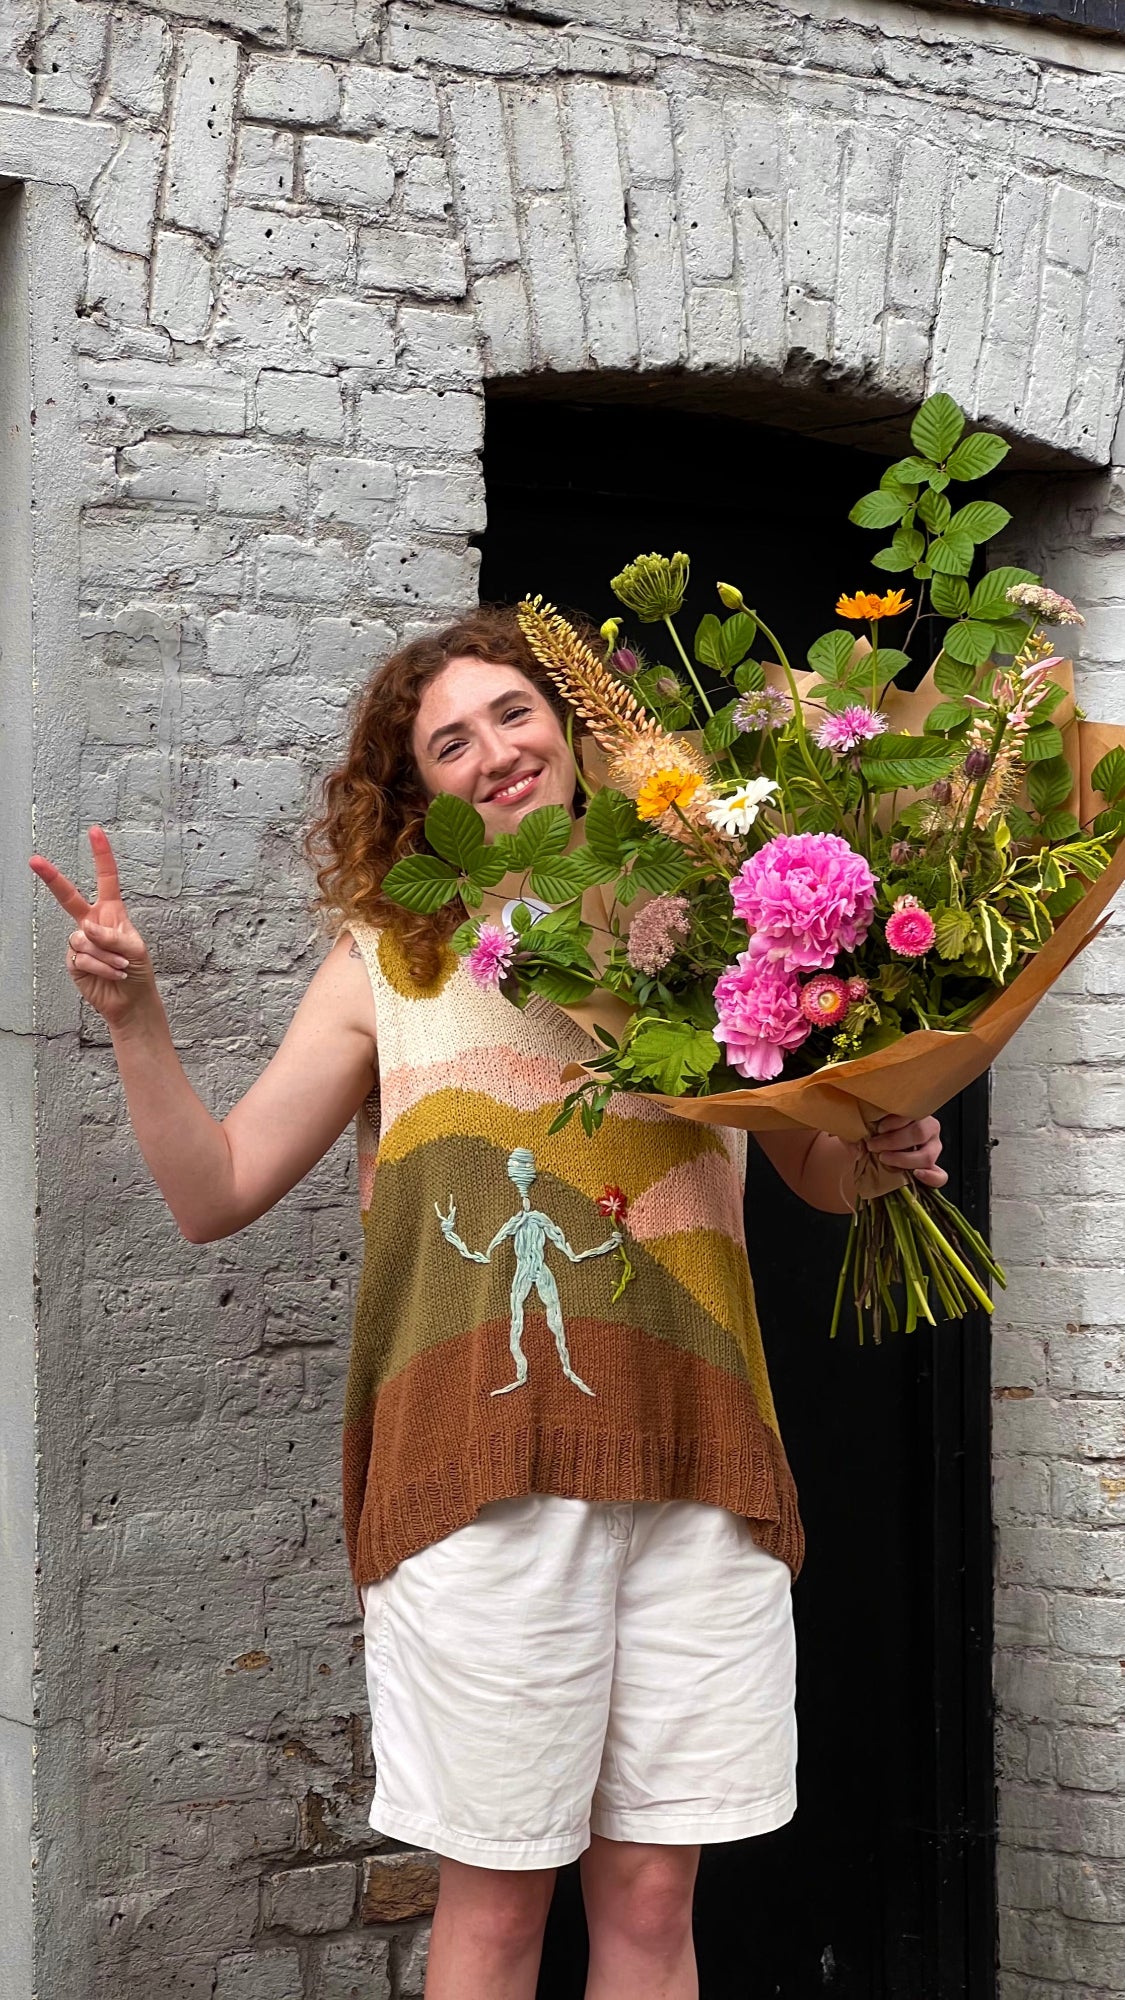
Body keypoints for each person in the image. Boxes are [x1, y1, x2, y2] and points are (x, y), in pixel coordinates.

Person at [30, 605, 945, 2000]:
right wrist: (137, 1021)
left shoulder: (705, 925)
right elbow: (215, 1188)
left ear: (570, 725)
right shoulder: (386, 964)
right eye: (446, 743)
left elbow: (809, 1171)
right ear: (417, 795)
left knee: (650, 1895)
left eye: (511, 714)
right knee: (501, 1903)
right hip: (480, 1483)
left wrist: (878, 1146)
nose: (492, 752)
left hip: (700, 1463)